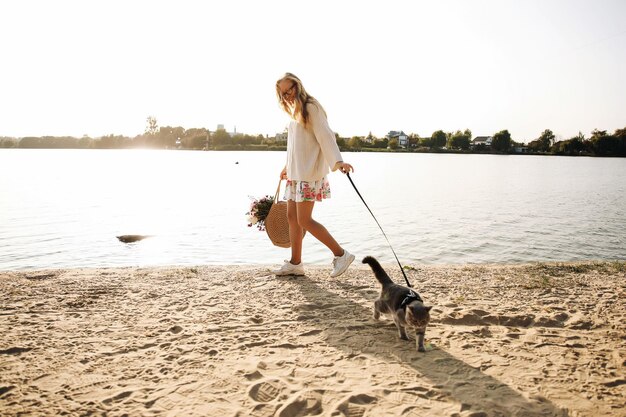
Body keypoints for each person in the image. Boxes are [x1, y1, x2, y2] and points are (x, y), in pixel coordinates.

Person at [272, 73, 355, 277]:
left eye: (289, 90)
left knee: (304, 220)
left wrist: (338, 162)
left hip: (308, 174)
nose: (287, 96)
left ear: (297, 85)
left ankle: (341, 254)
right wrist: (287, 166)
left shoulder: (311, 107)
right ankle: (296, 263)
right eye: (282, 94)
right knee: (292, 217)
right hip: (296, 174)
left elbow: (326, 135)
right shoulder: (295, 111)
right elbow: (297, 145)